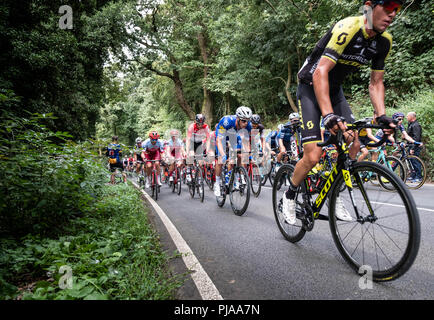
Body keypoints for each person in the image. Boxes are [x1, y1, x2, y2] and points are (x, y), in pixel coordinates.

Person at [283, 0, 403, 225]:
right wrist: (328, 115)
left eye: (396, 10)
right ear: (369, 6)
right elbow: (320, 72)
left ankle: (333, 193)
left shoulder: (384, 42)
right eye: (387, 8)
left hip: (334, 90)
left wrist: (381, 114)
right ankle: (289, 194)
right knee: (312, 155)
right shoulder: (348, 27)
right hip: (310, 86)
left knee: (354, 141)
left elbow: (376, 82)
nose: (392, 14)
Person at [214, 106, 253, 197]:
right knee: (221, 160)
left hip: (234, 136)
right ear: (238, 119)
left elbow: (246, 142)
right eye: (243, 121)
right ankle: (217, 182)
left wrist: (248, 154)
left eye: (248, 120)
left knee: (240, 155)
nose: (246, 123)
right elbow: (219, 140)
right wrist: (223, 155)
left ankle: (235, 176)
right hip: (223, 135)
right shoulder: (227, 121)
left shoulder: (248, 126)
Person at [186, 114, 211, 182]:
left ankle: (199, 179)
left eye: (201, 124)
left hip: (199, 143)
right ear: (195, 122)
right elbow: (188, 139)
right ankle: (188, 171)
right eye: (198, 124)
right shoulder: (191, 127)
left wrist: (207, 151)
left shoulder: (206, 127)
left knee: (200, 163)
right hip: (191, 143)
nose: (200, 126)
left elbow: (208, 139)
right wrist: (187, 151)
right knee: (191, 155)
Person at [406, 111, 423, 182]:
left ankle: (419, 177)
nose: (406, 117)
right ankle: (413, 176)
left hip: (415, 146)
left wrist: (413, 148)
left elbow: (417, 138)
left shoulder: (416, 125)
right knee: (411, 161)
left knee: (415, 161)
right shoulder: (411, 124)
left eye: (407, 116)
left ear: (412, 117)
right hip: (410, 145)